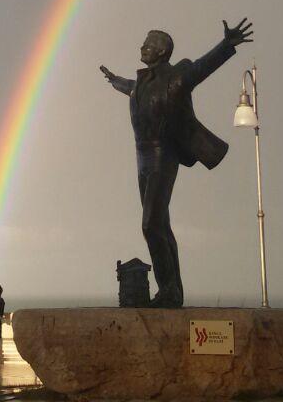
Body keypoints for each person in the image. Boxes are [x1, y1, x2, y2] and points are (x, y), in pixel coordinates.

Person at [100, 18, 252, 308]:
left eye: (147, 44)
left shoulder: (177, 77)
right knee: (162, 225)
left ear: (160, 51)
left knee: (151, 224)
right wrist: (114, 80)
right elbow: (132, 88)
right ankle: (173, 290)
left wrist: (226, 45)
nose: (142, 47)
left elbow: (200, 69)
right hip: (141, 157)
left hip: (161, 156)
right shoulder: (142, 83)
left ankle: (169, 289)